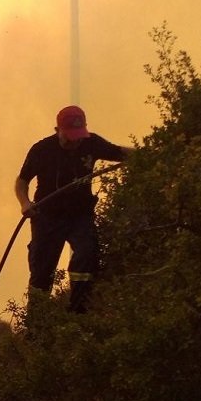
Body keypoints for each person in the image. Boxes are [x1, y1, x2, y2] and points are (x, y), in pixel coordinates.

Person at [14, 105, 133, 313]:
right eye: (70, 136)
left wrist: (152, 151)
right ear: (57, 130)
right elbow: (22, 181)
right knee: (42, 272)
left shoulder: (91, 143)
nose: (75, 140)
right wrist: (25, 203)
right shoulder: (41, 150)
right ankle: (37, 326)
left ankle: (79, 312)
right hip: (47, 218)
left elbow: (118, 152)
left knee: (86, 256)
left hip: (80, 216)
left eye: (78, 135)